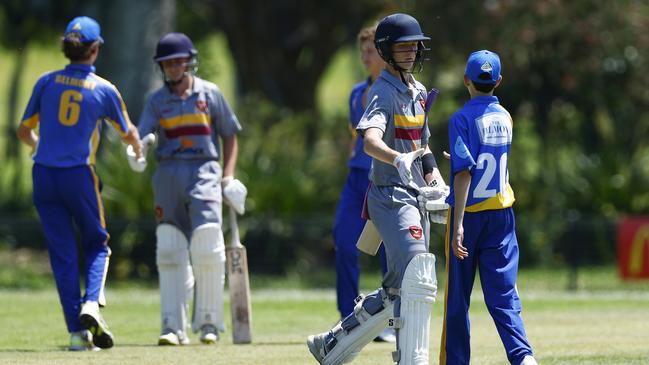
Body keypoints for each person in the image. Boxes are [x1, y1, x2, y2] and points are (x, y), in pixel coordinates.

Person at [307, 13, 449, 365]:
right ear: (386, 50)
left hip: (415, 197)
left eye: (414, 45)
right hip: (389, 196)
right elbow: (369, 140)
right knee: (419, 273)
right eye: (403, 47)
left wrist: (435, 181)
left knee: (398, 288)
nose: (411, 51)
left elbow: (423, 145)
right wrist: (396, 159)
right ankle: (412, 359)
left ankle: (331, 345)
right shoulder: (382, 91)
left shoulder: (416, 91)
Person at [16, 16, 143, 351]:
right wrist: (138, 148)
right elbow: (128, 133)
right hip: (78, 176)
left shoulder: (46, 82)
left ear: (66, 47)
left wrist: (39, 145)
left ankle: (77, 334)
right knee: (98, 244)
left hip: (42, 174)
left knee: (63, 255)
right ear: (95, 48)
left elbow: (24, 130)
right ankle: (91, 304)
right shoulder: (103, 89)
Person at [132, 32, 246, 346]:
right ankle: (172, 326)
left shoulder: (209, 94)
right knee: (169, 247)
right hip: (167, 173)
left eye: (178, 61)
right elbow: (140, 136)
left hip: (204, 170)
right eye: (167, 63)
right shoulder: (156, 101)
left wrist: (228, 175)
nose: (173, 67)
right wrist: (137, 151)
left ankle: (209, 323)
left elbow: (230, 134)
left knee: (208, 243)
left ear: (189, 61)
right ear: (161, 66)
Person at [439, 50, 538, 365]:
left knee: (458, 300)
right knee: (504, 295)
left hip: (469, 217)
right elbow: (489, 159)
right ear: (498, 81)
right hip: (502, 216)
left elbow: (465, 173)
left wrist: (456, 226)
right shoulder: (506, 116)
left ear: (466, 80)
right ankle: (523, 357)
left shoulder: (461, 118)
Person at [332, 23, 395, 343]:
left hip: (384, 181)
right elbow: (354, 138)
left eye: (370, 51)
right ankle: (349, 321)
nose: (365, 57)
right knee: (344, 244)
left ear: (384, 54)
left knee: (389, 252)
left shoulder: (395, 91)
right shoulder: (357, 93)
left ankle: (390, 321)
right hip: (356, 180)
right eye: (363, 51)